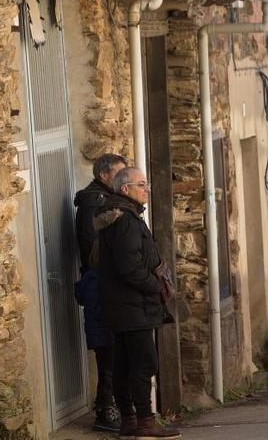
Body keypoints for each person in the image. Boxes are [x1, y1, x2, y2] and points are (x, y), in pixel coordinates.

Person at [95, 167, 180, 439]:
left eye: (146, 183)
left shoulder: (122, 217)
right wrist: (156, 287)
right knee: (143, 363)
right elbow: (128, 266)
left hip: (126, 307)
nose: (147, 189)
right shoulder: (126, 222)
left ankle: (129, 421)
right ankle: (144, 421)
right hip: (134, 307)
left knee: (124, 364)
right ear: (125, 189)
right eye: (141, 184)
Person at [73, 153, 126, 432]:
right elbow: (93, 248)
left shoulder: (106, 199)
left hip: (106, 283)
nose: (122, 178)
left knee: (114, 349)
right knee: (108, 349)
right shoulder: (95, 203)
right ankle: (106, 409)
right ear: (104, 175)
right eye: (118, 173)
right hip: (100, 284)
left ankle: (110, 405)